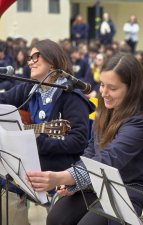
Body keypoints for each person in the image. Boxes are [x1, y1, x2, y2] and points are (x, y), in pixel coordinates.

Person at [26, 52, 143, 225]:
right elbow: (92, 149)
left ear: (132, 89)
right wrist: (74, 182)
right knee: (56, 218)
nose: (104, 92)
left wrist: (63, 177)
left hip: (127, 189)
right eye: (102, 85)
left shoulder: (140, 122)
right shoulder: (108, 108)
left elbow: (108, 160)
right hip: (99, 183)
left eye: (112, 88)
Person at [0, 39, 94, 224]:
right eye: (29, 58)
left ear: (52, 61)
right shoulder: (30, 89)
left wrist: (37, 142)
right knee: (5, 192)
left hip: (59, 171)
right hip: (27, 167)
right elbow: (3, 101)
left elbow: (78, 141)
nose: (30, 61)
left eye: (36, 56)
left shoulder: (71, 96)